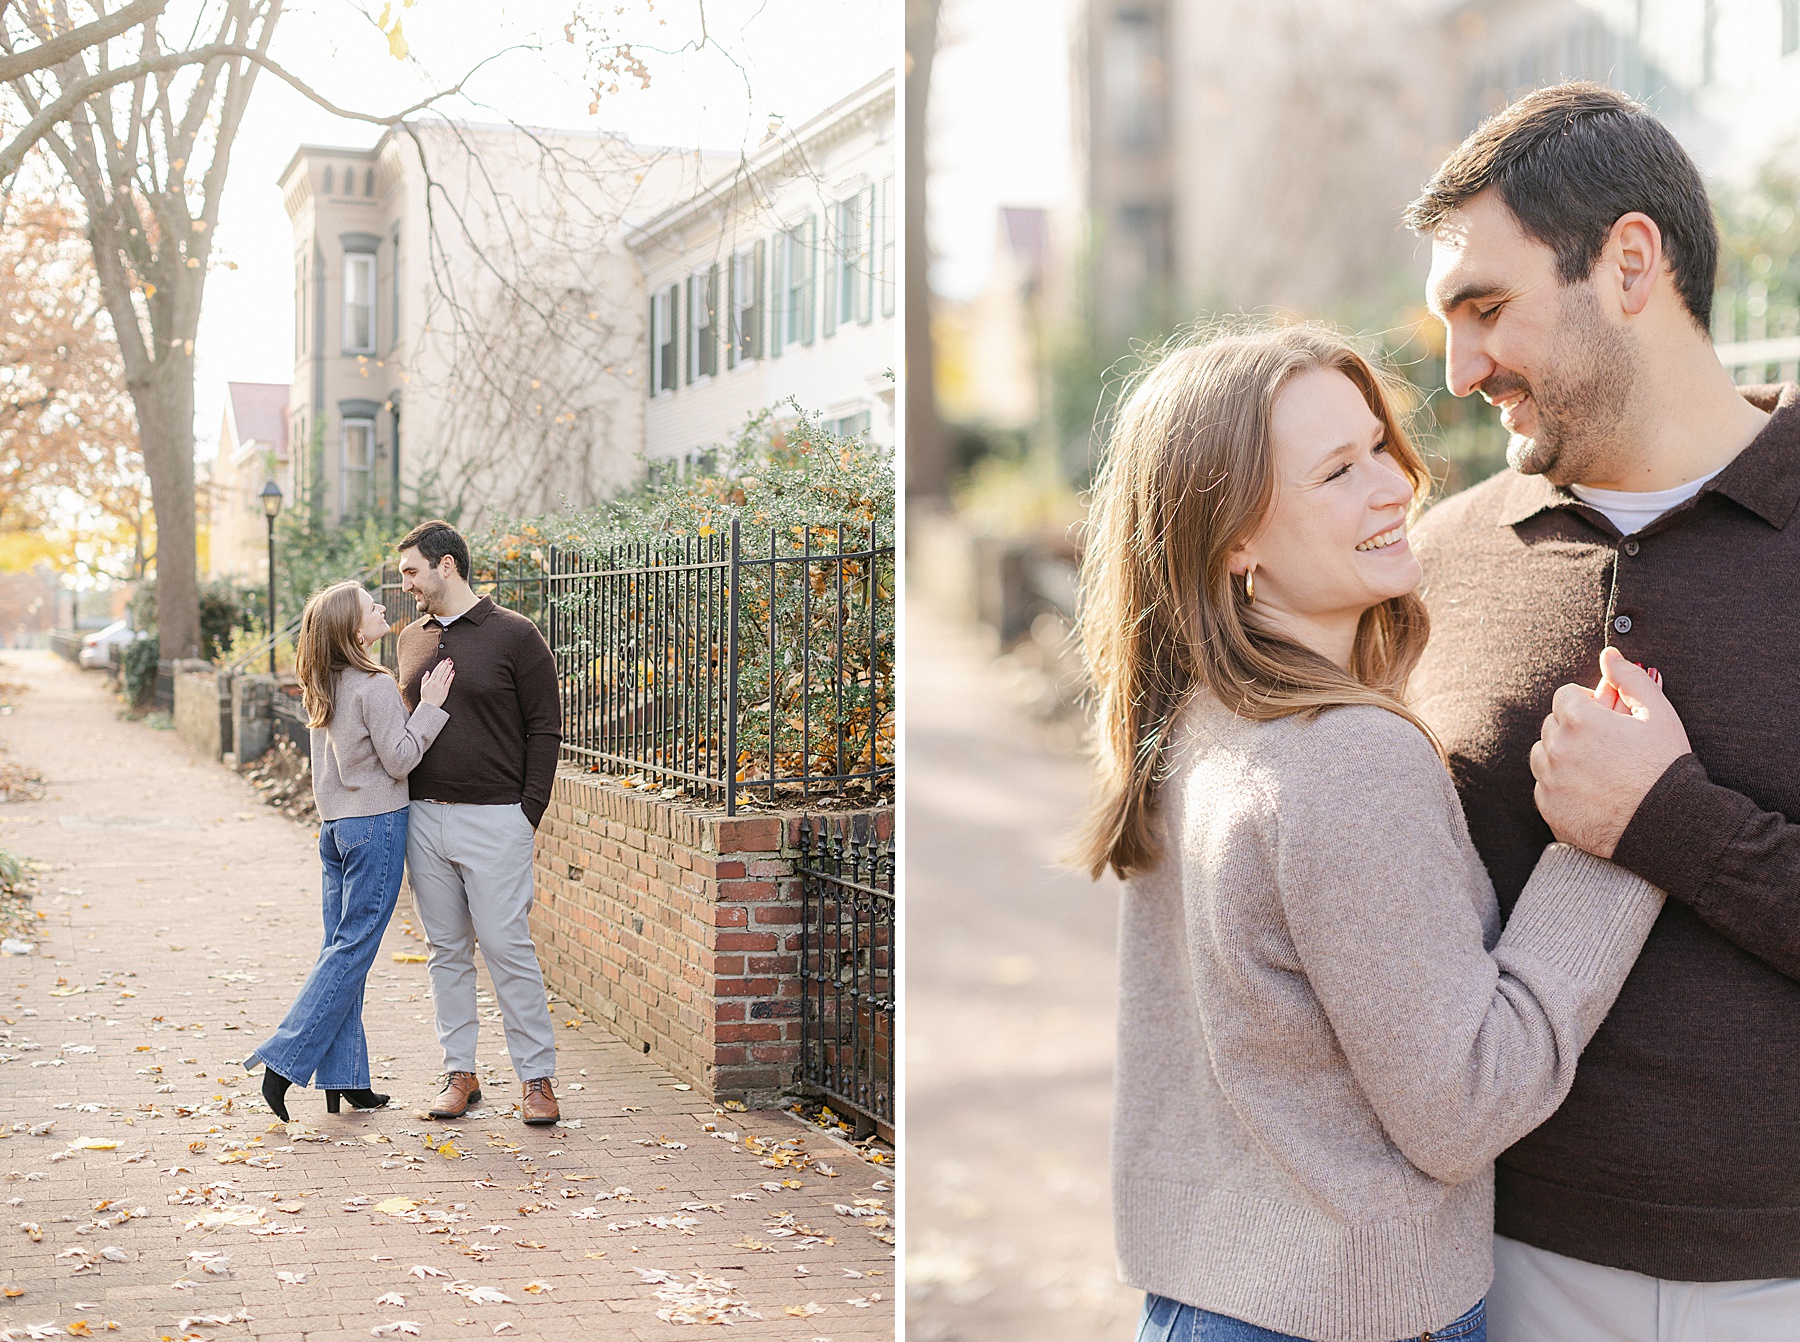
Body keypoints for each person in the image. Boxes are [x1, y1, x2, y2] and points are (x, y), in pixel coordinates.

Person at [1079, 322, 1671, 1342]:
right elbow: (1465, 1104)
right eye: (1338, 471)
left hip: (1205, 1301)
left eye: (1380, 448)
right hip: (1341, 1317)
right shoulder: (1348, 755)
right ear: (1233, 539)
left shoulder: (1199, 722)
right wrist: (1622, 830)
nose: (1395, 484)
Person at [1404, 81, 1800, 1339]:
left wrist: (1672, 821)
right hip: (1497, 1272)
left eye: (1486, 308)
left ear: (1630, 264)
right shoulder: (1434, 565)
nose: (1461, 370)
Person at [247, 579, 454, 1121]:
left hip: (336, 829)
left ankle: (346, 1077)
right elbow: (400, 759)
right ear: (354, 630)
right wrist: (430, 707)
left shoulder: (326, 681)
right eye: (370, 606)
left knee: (340, 950)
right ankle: (283, 1061)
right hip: (376, 825)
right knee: (352, 950)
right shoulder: (373, 683)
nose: (382, 606)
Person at [394, 519, 563, 1126]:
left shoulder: (515, 634)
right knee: (446, 951)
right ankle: (459, 1074)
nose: (405, 584)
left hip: (497, 820)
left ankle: (536, 1078)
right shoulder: (410, 639)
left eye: (412, 571)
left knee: (505, 946)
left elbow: (546, 728)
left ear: (447, 565)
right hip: (424, 818)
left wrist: (527, 813)